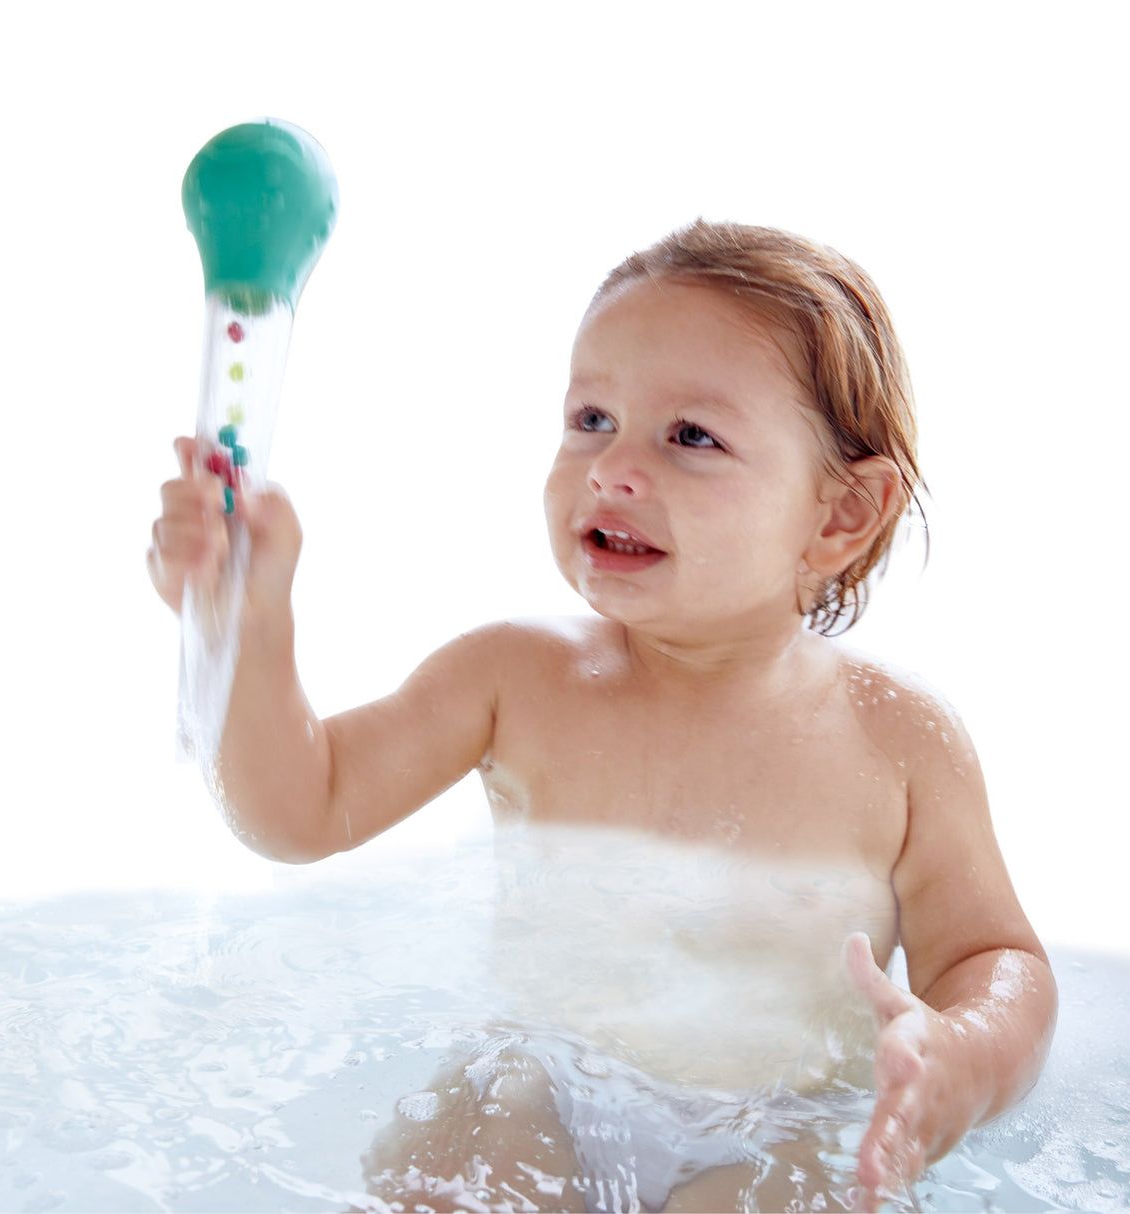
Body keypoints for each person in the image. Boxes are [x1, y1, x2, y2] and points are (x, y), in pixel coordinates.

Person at [149, 220, 1056, 1211]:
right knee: (459, 1159)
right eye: (589, 417)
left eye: (690, 436)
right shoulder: (513, 675)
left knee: (817, 1186)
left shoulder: (898, 741)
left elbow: (990, 956)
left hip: (780, 1120)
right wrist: (248, 628)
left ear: (839, 514)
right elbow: (299, 807)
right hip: (543, 1090)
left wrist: (959, 1054)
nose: (611, 467)